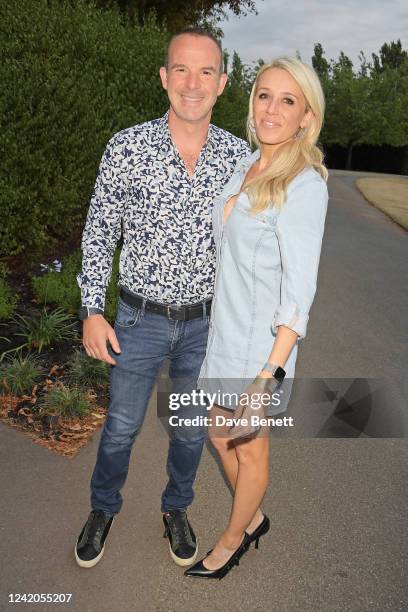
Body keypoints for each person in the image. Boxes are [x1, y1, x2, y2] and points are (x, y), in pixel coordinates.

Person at [74, 28, 249, 569]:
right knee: (121, 428)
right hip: (139, 320)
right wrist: (91, 310)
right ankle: (103, 508)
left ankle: (176, 508)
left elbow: (257, 248)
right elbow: (100, 231)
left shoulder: (241, 160)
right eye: (181, 70)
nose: (191, 83)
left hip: (208, 327)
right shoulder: (126, 147)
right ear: (164, 77)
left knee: (190, 431)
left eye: (205, 73)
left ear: (221, 84)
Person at [184, 57, 329, 579]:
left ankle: (233, 539)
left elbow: (300, 290)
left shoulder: (304, 185)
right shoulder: (243, 166)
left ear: (305, 117)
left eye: (287, 100)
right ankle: (255, 516)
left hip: (260, 348)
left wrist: (268, 376)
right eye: (264, 95)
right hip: (224, 334)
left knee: (249, 447)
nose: (272, 108)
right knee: (218, 436)